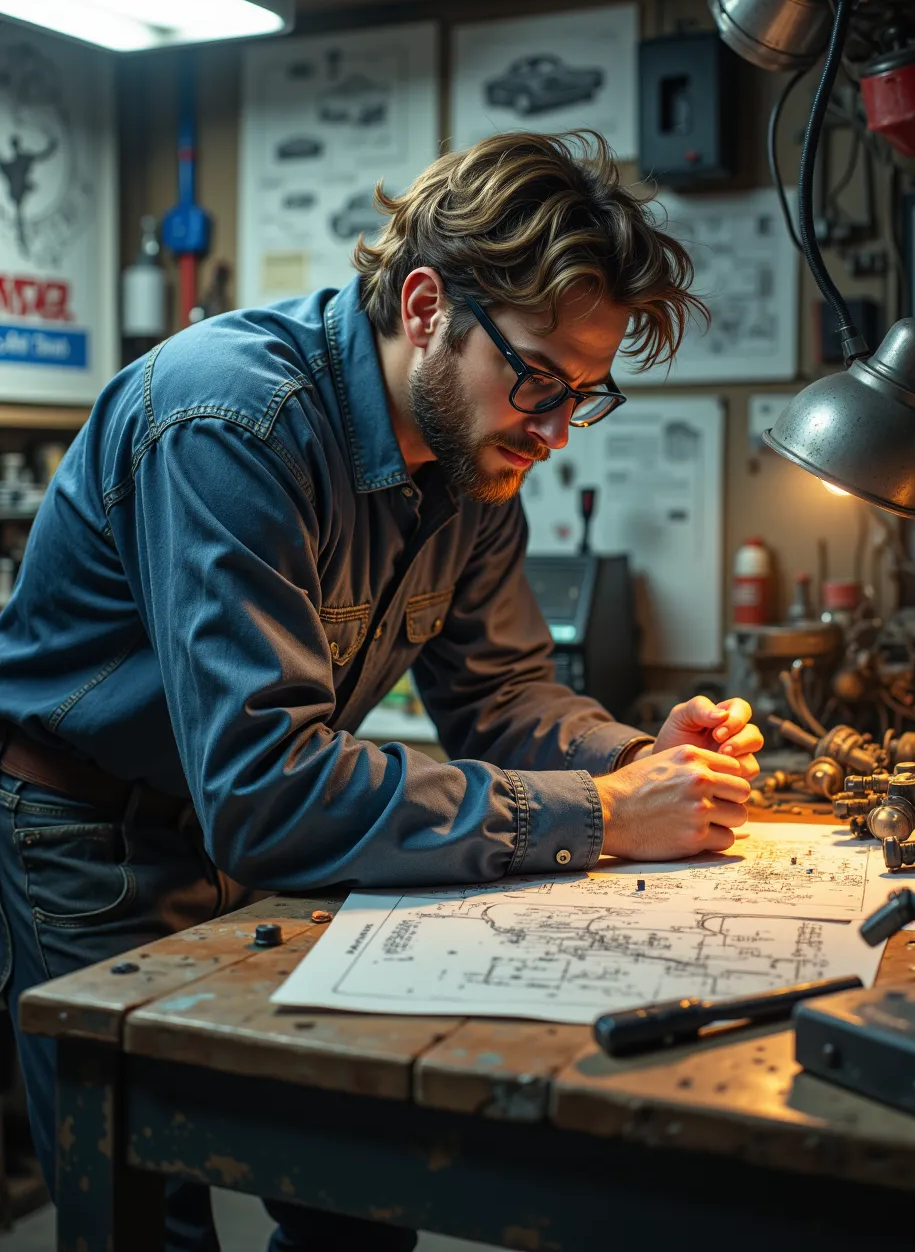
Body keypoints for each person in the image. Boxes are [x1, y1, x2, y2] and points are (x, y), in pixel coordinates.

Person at [0, 130, 761, 1250]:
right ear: (425, 306)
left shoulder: (476, 458)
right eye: (538, 380)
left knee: (356, 1186)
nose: (556, 433)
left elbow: (502, 697)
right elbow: (264, 788)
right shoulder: (232, 422)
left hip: (261, 841)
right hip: (96, 836)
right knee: (149, 1216)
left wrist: (640, 759)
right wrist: (604, 816)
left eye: (584, 396)